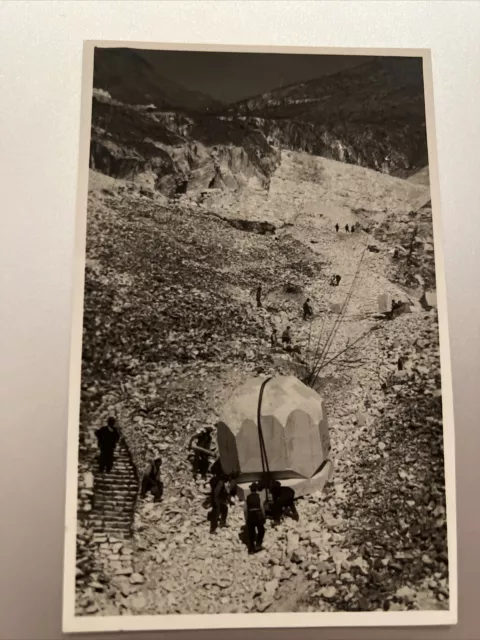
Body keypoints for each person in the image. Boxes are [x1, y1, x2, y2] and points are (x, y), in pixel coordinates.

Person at [245, 482, 266, 554]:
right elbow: (261, 507)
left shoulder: (247, 497)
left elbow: (245, 509)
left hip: (250, 514)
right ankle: (258, 545)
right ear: (256, 489)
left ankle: (251, 549)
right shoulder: (259, 496)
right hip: (258, 513)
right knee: (261, 530)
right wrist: (263, 516)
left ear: (250, 489)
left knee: (251, 532)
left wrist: (246, 518)